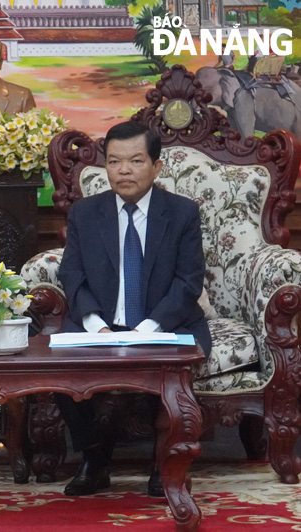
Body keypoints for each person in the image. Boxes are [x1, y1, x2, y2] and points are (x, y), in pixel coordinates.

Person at [57, 121, 211, 497]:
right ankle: (95, 460)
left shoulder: (181, 213)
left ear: (156, 167)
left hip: (166, 323)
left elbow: (189, 281)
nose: (123, 170)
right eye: (114, 162)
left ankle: (165, 462)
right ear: (105, 166)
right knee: (57, 373)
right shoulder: (85, 213)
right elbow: (72, 274)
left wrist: (150, 328)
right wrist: (97, 327)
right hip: (101, 325)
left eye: (135, 161)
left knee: (171, 377)